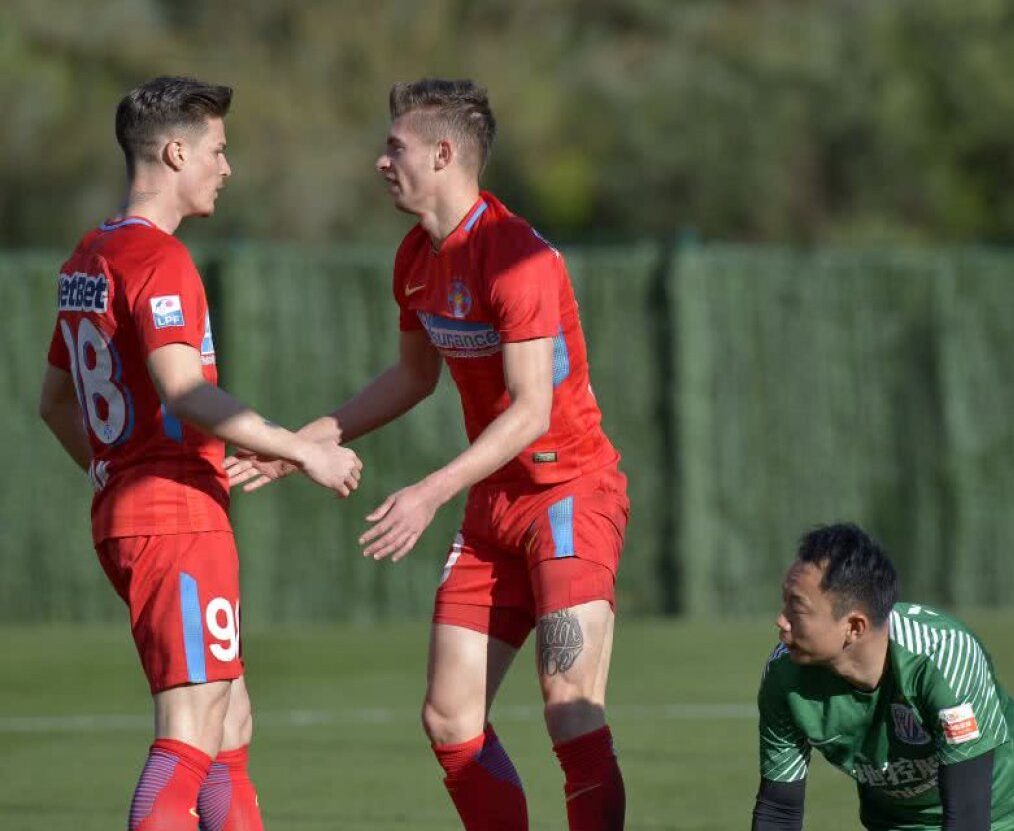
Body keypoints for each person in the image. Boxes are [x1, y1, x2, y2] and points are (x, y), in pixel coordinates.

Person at [226, 77, 630, 831]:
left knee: (570, 705)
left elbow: (532, 410)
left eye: (395, 148)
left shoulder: (518, 259)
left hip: (569, 497)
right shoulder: (415, 256)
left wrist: (428, 491)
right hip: (495, 505)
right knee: (449, 718)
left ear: (443, 154)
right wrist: (300, 445)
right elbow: (413, 378)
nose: (382, 162)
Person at [38, 75, 363, 831]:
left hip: (137, 514)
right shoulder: (159, 260)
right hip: (175, 519)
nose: (228, 167)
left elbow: (54, 403)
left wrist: (109, 471)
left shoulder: (88, 258)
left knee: (229, 723)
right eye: (218, 150)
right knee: (190, 729)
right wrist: (301, 449)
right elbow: (184, 391)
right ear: (176, 154)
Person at [753, 523, 1014, 831]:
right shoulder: (784, 677)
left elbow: (967, 816)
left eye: (797, 609)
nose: (781, 620)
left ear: (854, 626)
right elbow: (779, 812)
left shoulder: (941, 653)